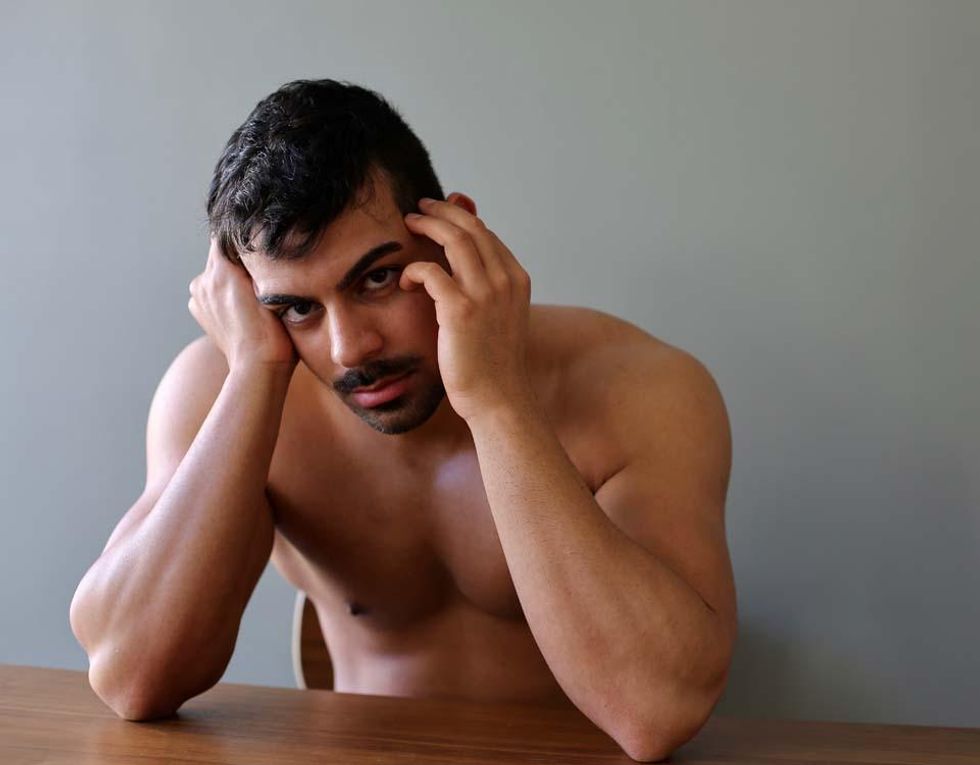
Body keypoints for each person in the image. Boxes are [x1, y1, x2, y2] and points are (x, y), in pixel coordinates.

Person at [69, 79, 737, 762]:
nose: (350, 348)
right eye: (297, 307)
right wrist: (252, 374)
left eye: (378, 278)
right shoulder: (233, 391)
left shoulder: (640, 388)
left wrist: (497, 401)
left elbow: (655, 711)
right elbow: (131, 677)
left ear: (455, 236)